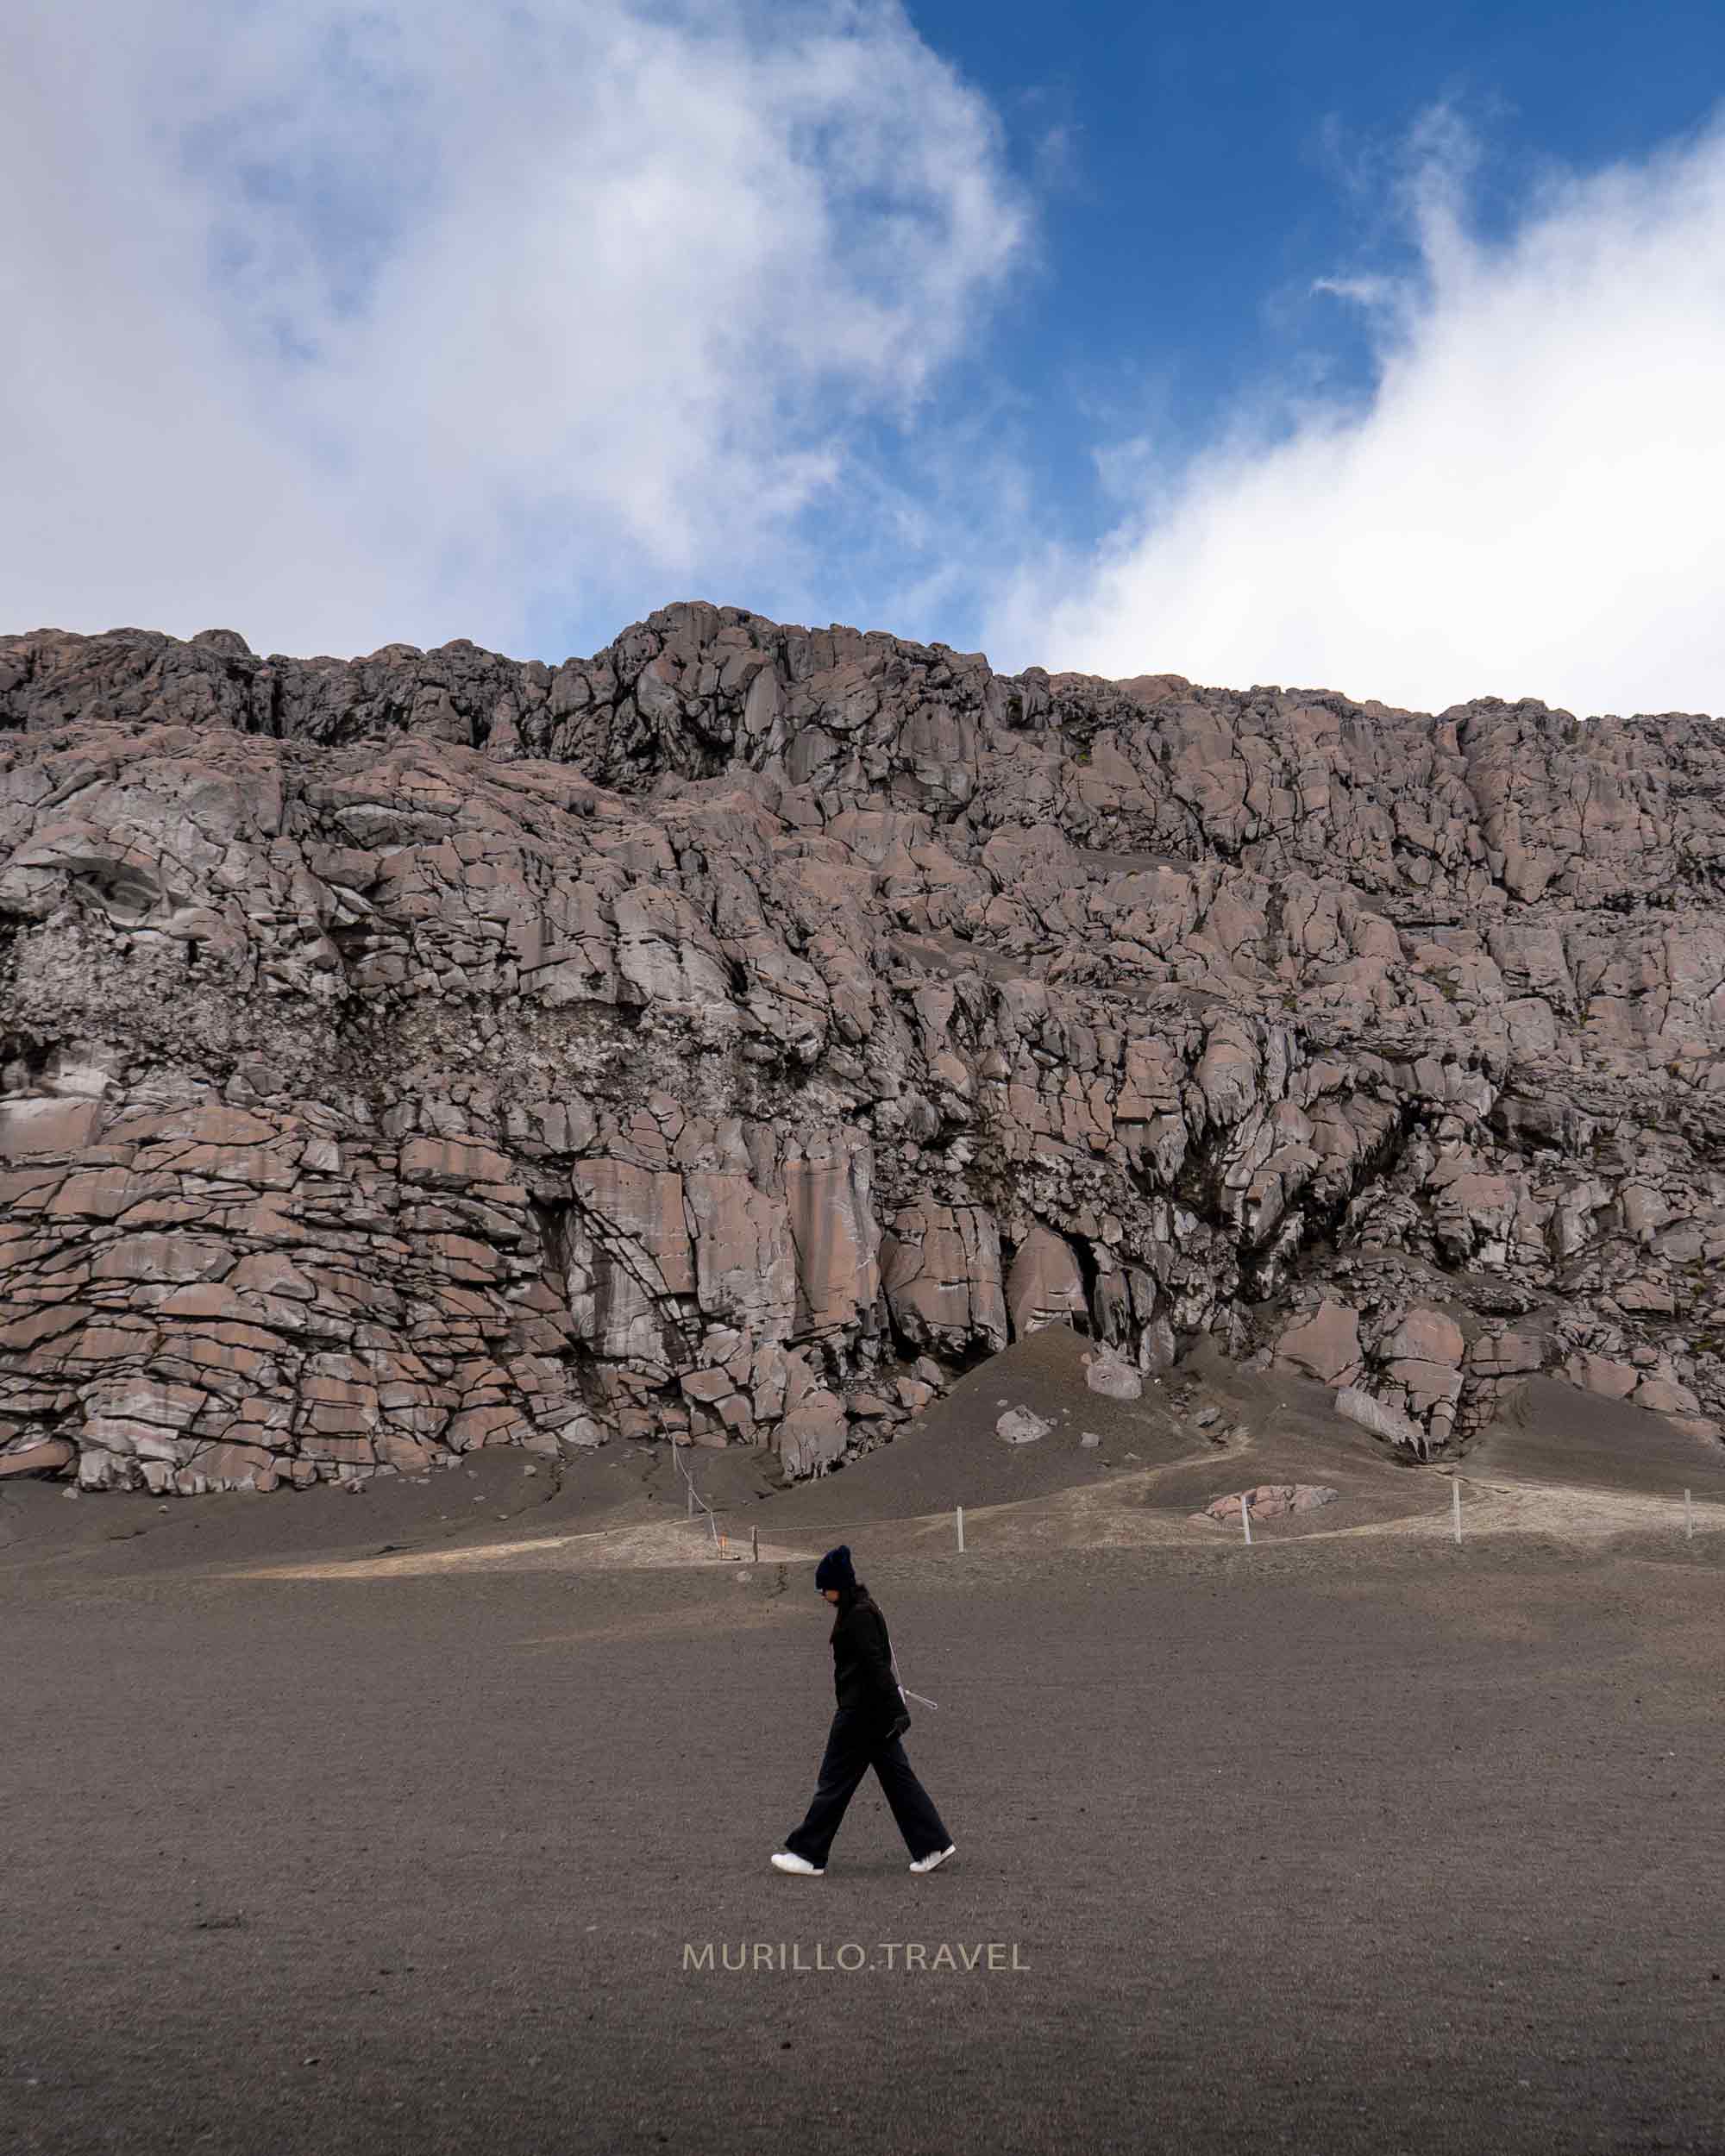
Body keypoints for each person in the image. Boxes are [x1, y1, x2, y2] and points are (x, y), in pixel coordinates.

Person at [770, 1545, 956, 1877]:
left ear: (838, 1585)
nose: (822, 1594)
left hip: (859, 1716)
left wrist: (898, 1710)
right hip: (875, 1716)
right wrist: (893, 1710)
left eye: (824, 1588)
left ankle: (808, 1854)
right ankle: (933, 1846)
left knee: (833, 1783)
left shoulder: (857, 1616)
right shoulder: (863, 1608)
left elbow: (876, 1667)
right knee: (899, 1781)